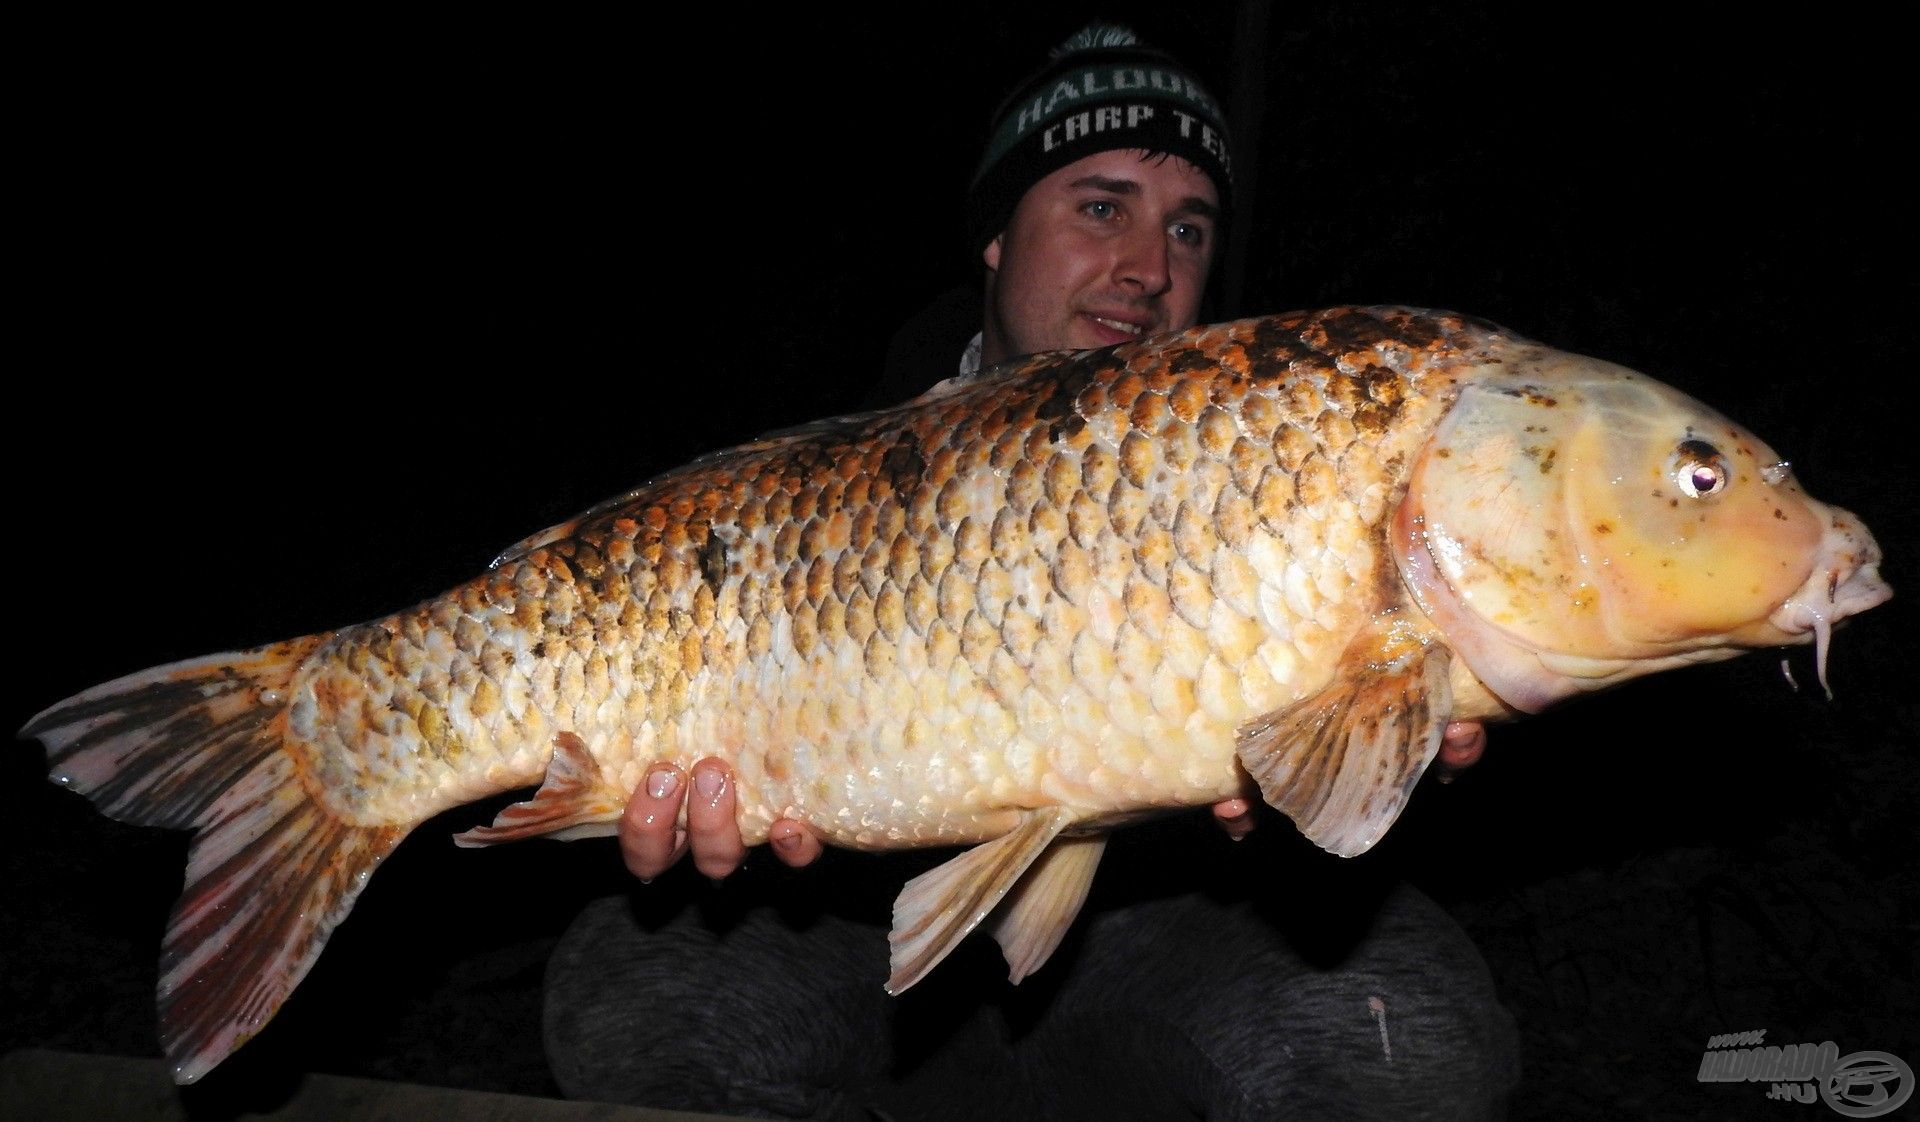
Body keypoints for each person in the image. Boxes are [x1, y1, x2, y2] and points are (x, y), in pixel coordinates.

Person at [544, 24, 1513, 1120]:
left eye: (1187, 228)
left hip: (1167, 924)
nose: (1150, 268)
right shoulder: (826, 477)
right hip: (843, 929)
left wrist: (1357, 762)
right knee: (632, 993)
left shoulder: (1273, 452)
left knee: (1414, 1036)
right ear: (997, 235)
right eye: (1102, 208)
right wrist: (698, 806)